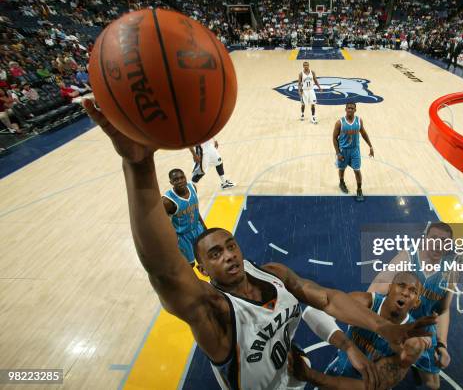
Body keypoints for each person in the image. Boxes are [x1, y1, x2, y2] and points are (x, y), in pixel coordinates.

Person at [82, 99, 436, 390]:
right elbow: (164, 271)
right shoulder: (211, 309)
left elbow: (326, 299)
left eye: (231, 245)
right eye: (215, 254)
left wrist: (381, 328)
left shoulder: (273, 274)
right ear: (202, 269)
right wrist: (139, 166)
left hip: (294, 380)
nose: (229, 255)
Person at [298, 272, 431, 389]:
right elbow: (311, 312)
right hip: (334, 373)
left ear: (416, 303)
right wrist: (348, 346)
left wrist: (313, 376)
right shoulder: (366, 302)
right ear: (390, 288)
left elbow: (371, 386)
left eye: (413, 291)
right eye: (401, 285)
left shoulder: (411, 341)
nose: (406, 293)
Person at [369, 222, 455, 390]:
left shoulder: (450, 272)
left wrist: (442, 344)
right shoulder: (407, 258)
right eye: (434, 238)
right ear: (425, 239)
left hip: (423, 331)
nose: (438, 244)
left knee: (433, 385)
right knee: (378, 378)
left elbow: (443, 310)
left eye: (444, 241)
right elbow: (375, 291)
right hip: (396, 324)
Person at [162, 168, 206, 266]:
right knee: (190, 265)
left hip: (197, 229)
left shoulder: (193, 188)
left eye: (182, 178)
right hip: (182, 236)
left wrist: (204, 226)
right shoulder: (167, 201)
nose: (180, 181)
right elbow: (162, 223)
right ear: (171, 182)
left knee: (204, 256)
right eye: (176, 179)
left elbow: (195, 211)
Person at [333, 102, 374, 202]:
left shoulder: (359, 121)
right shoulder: (340, 122)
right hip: (343, 150)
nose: (350, 110)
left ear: (355, 110)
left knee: (357, 170)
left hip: (355, 150)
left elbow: (363, 133)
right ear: (345, 109)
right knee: (342, 169)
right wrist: (338, 153)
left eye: (352, 108)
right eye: (349, 108)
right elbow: (334, 138)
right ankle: (341, 182)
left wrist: (370, 146)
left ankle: (359, 189)